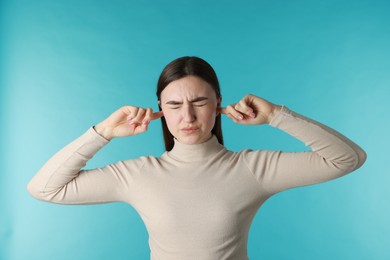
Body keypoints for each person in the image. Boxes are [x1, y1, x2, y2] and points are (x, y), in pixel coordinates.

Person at [27, 56, 366, 260]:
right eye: (174, 105)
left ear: (218, 103)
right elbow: (44, 189)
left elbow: (347, 159)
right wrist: (102, 131)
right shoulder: (138, 174)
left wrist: (277, 115)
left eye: (199, 103)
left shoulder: (252, 169)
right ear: (161, 110)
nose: (187, 116)